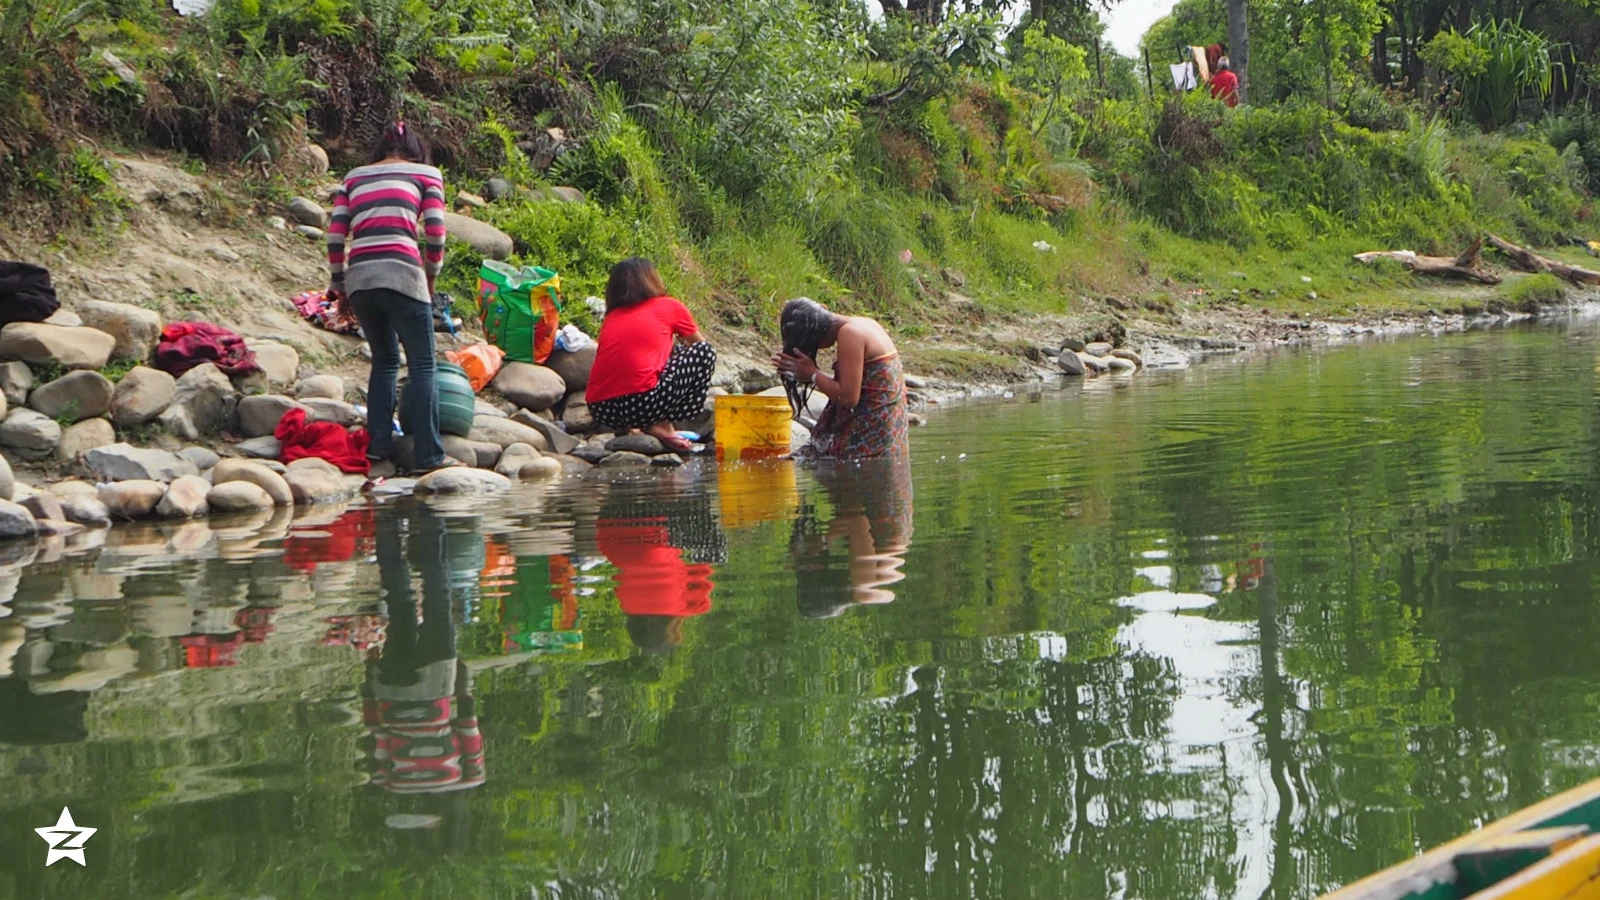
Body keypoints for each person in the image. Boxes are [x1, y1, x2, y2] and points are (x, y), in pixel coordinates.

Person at [327, 121, 460, 474]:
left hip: (362, 279)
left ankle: (379, 446)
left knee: (385, 361)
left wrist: (340, 288)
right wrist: (429, 278)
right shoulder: (427, 174)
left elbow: (335, 237)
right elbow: (435, 234)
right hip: (403, 273)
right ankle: (429, 456)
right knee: (423, 364)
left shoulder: (354, 177)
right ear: (416, 150)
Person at [585, 258, 716, 453]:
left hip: (603, 410)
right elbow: (699, 344)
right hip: (642, 404)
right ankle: (661, 424)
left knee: (658, 358)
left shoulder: (612, 317)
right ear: (651, 280)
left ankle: (632, 427)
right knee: (705, 352)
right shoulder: (668, 305)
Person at [774, 298, 909, 460]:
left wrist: (812, 374)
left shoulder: (850, 334)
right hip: (889, 438)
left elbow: (848, 398)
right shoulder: (864, 323)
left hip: (870, 444)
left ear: (814, 334)